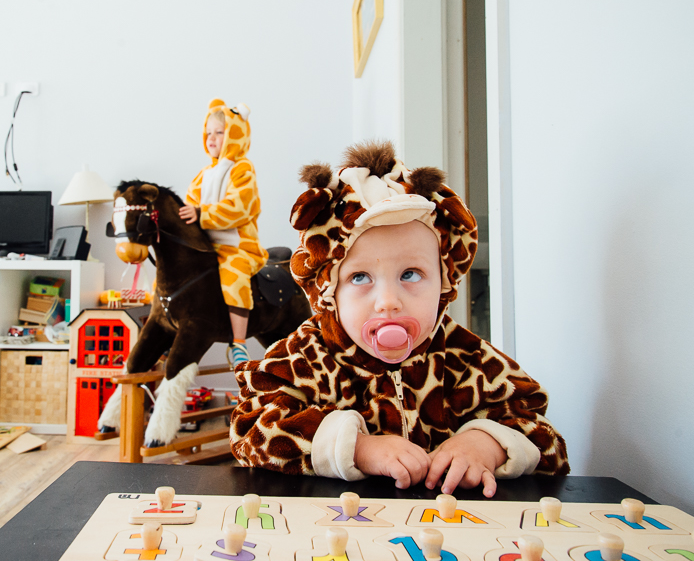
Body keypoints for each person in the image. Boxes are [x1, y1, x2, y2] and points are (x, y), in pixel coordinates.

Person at [230, 140, 570, 496]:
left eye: (411, 274)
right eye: (360, 278)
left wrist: (487, 444)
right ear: (328, 290)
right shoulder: (303, 357)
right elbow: (250, 431)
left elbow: (547, 440)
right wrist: (357, 448)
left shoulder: (464, 358)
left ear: (445, 281)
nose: (388, 302)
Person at [179, 98, 268, 367]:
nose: (212, 138)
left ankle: (239, 343)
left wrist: (202, 214)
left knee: (234, 275)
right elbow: (189, 206)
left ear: (235, 135)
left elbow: (240, 207)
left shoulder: (243, 169)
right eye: (208, 133)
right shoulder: (203, 174)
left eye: (220, 132)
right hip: (208, 246)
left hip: (238, 245)